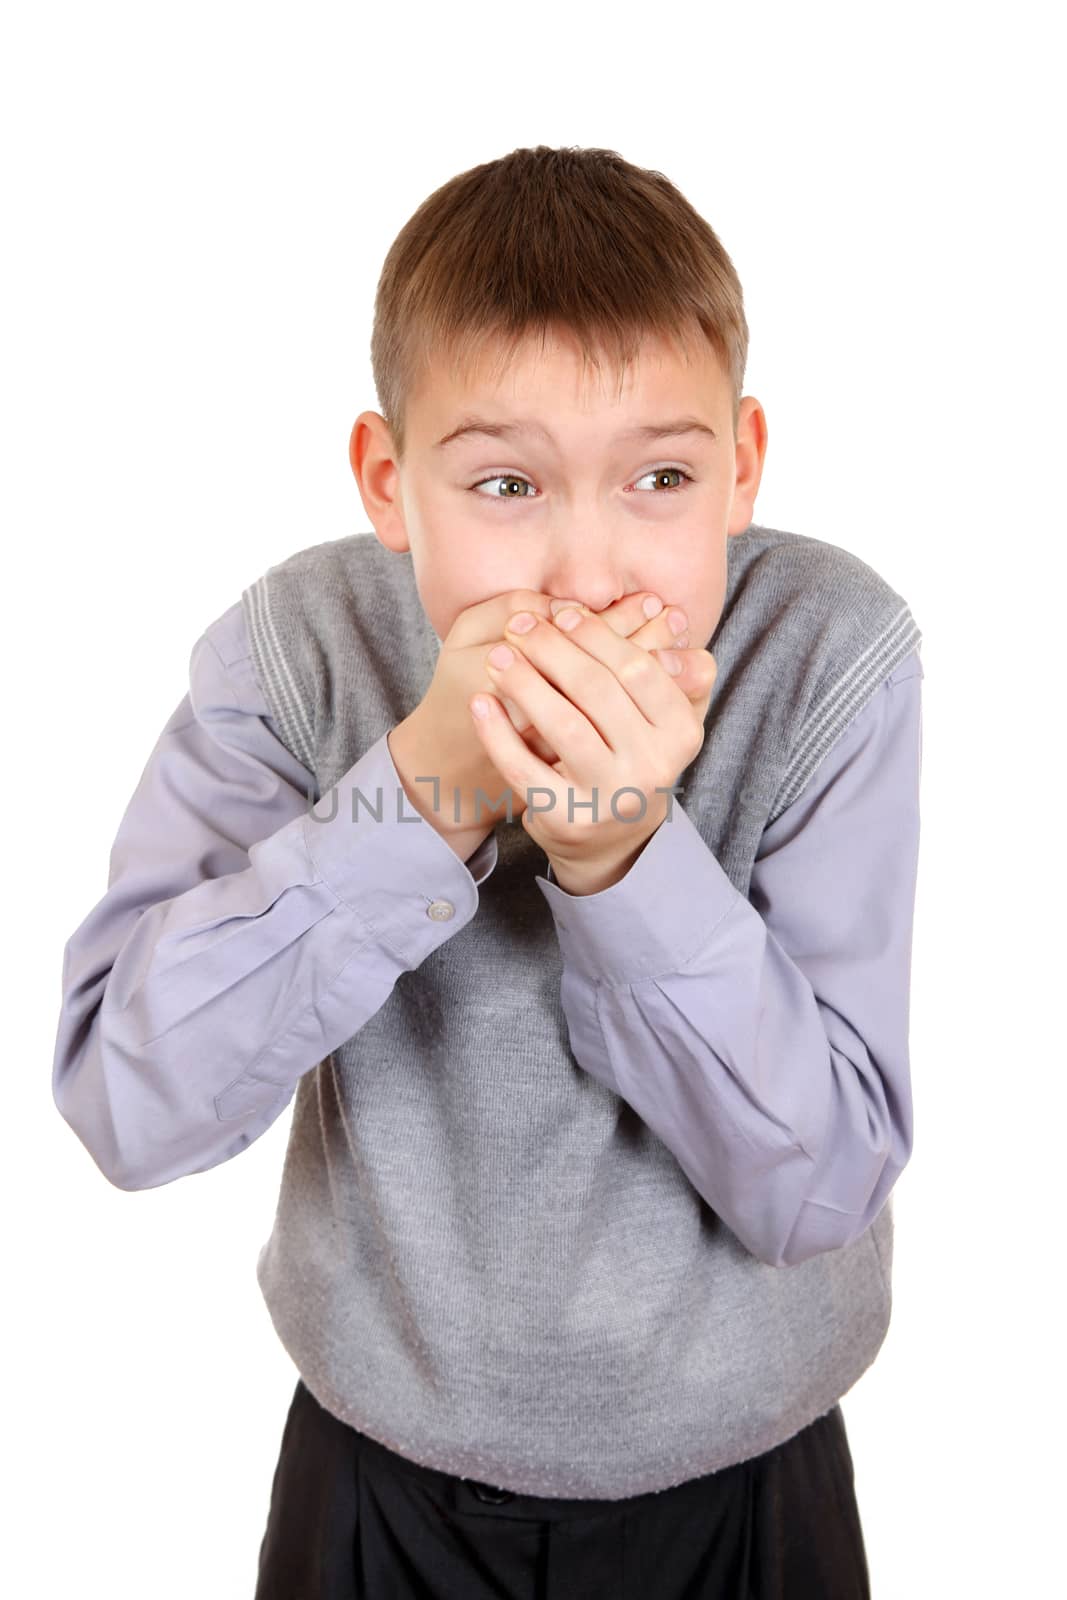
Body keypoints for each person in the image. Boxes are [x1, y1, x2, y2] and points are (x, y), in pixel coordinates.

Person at [52, 144, 923, 1597]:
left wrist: (622, 860)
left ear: (743, 466)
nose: (589, 571)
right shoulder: (298, 650)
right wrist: (428, 790)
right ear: (392, 483)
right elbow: (130, 1101)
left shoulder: (833, 655)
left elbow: (819, 1187)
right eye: (508, 483)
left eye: (661, 475)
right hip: (376, 1474)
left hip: (745, 1482)